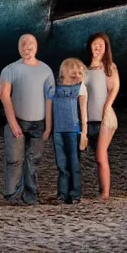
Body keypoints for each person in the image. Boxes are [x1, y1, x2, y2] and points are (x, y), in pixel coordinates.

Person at [0, 34, 55, 205]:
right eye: (23, 43)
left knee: (33, 160)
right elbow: (4, 96)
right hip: (18, 121)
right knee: (15, 159)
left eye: (31, 43)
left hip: (38, 122)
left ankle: (31, 195)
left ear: (36, 46)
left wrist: (48, 126)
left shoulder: (46, 70)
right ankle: (12, 195)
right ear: (18, 47)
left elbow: (49, 98)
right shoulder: (9, 70)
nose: (27, 46)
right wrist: (13, 122)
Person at [45, 58, 88, 204]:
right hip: (58, 131)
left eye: (78, 72)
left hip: (73, 131)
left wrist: (84, 132)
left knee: (74, 163)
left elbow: (83, 112)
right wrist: (48, 129)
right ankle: (62, 194)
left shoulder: (81, 88)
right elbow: (49, 111)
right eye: (73, 72)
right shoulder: (53, 89)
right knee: (61, 164)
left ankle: (75, 194)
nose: (76, 75)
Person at [85, 32, 120, 200]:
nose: (97, 47)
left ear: (106, 48)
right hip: (90, 119)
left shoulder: (109, 67)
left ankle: (105, 193)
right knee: (97, 157)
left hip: (105, 118)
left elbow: (114, 88)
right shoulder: (85, 70)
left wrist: (107, 107)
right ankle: (102, 190)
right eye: (94, 44)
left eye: (101, 45)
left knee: (101, 155)